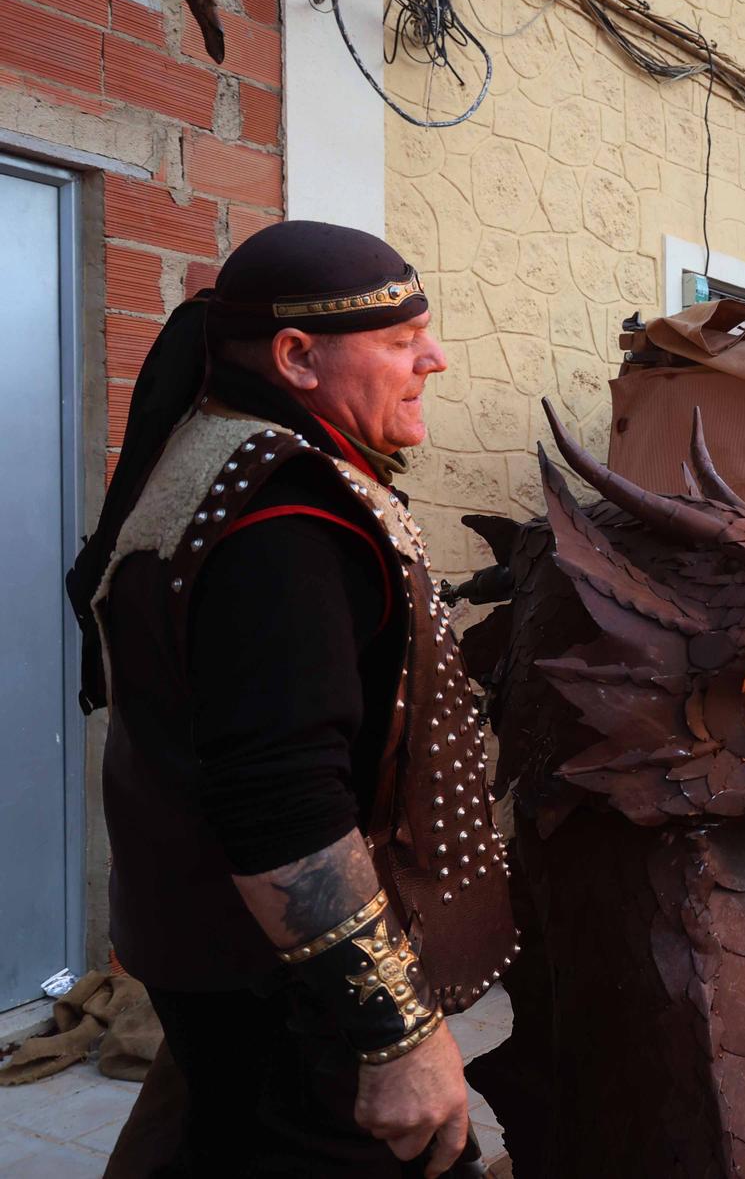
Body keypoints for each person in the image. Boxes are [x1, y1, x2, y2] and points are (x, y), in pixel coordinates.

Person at [68, 222, 515, 1177]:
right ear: (297, 358)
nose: (432, 358)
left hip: (225, 972)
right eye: (401, 341)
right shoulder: (283, 518)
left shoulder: (218, 450)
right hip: (290, 994)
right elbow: (282, 805)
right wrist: (396, 1033)